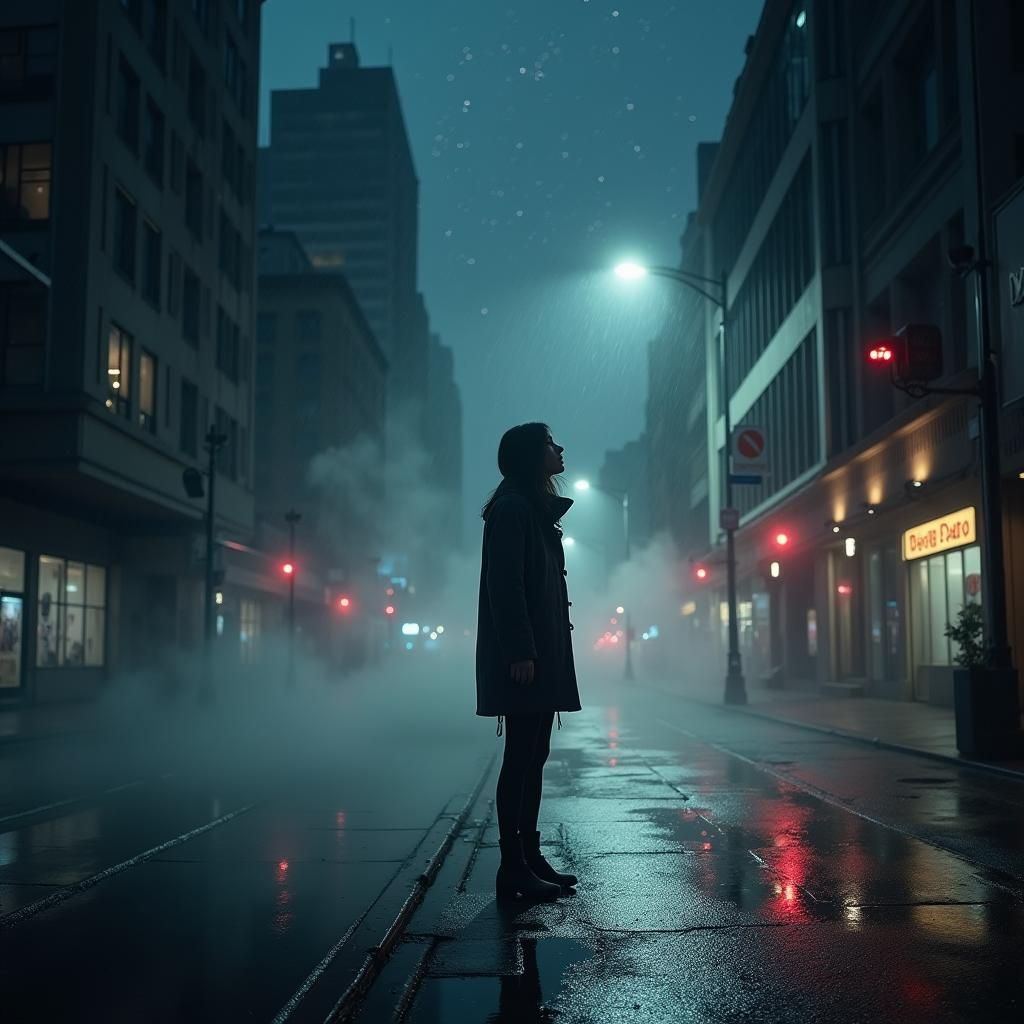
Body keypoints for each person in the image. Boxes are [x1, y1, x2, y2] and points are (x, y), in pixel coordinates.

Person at [476, 422, 581, 901]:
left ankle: (529, 856)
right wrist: (520, 650)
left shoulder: (528, 507)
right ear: (529, 455)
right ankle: (512, 866)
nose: (558, 449)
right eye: (549, 443)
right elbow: (506, 584)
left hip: (540, 655)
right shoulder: (514, 508)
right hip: (527, 659)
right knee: (520, 759)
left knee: (533, 756)